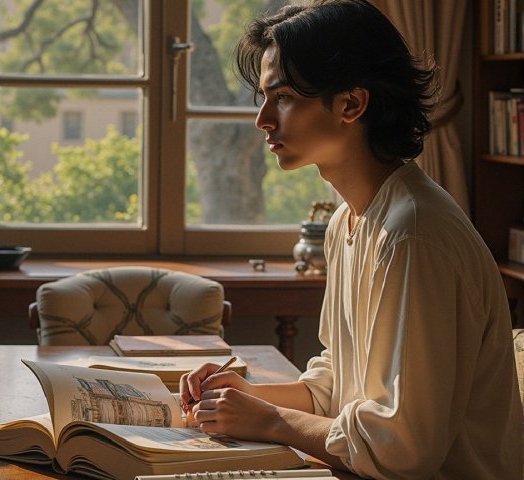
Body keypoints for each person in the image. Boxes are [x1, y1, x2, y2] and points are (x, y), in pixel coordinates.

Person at [179, 1, 523, 479]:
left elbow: (403, 449)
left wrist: (274, 421)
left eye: (282, 98)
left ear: (351, 104)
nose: (261, 119)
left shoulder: (412, 234)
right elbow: (339, 386)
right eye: (263, 97)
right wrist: (247, 394)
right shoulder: (348, 223)